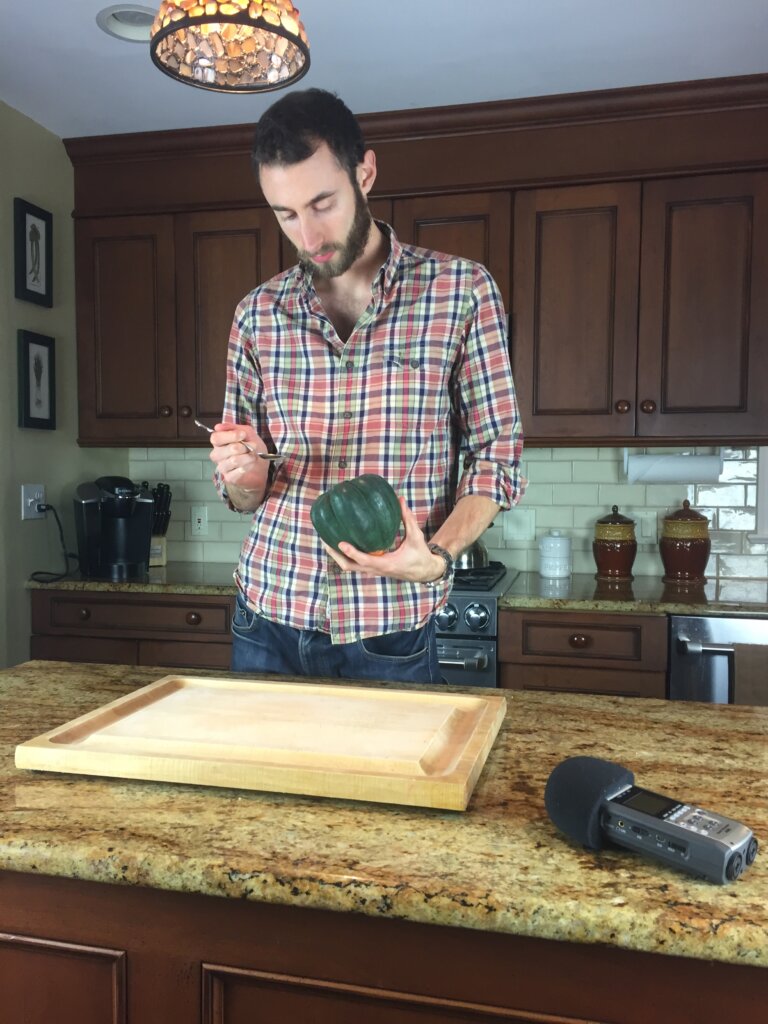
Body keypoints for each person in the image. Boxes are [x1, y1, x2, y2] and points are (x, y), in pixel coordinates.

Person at [209, 88, 524, 683]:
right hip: (266, 616)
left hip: (391, 626)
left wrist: (435, 560)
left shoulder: (461, 293)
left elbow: (496, 457)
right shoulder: (257, 313)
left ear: (366, 172)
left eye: (322, 202)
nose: (307, 234)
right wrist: (245, 478)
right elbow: (244, 493)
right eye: (285, 214)